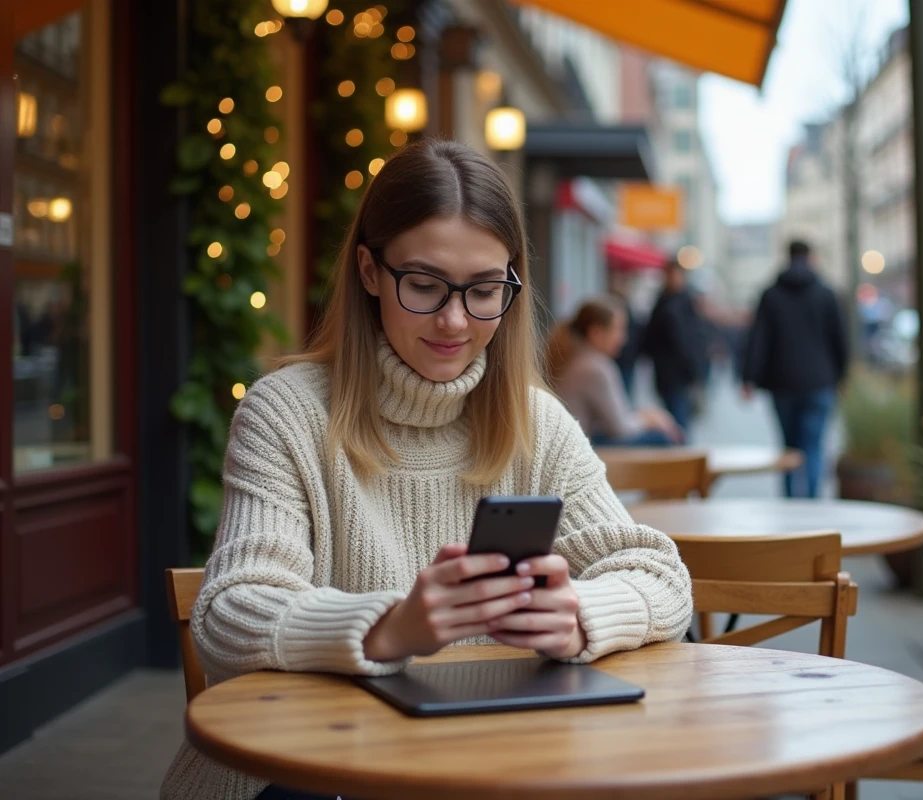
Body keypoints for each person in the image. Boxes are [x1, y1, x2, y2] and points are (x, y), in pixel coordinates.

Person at [161, 141, 692, 800]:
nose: (454, 319)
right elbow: (229, 614)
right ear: (369, 270)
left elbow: (662, 576)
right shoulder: (285, 414)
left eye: (484, 290)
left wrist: (580, 614)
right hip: (306, 772)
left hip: (492, 769)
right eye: (423, 285)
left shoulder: (536, 423)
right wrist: (390, 628)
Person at [741, 240, 848, 499]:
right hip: (819, 380)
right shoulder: (826, 293)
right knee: (813, 446)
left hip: (782, 382)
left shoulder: (771, 295)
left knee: (788, 448)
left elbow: (759, 339)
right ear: (810, 257)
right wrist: (842, 376)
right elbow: (840, 339)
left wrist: (749, 378)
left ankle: (790, 503)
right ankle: (810, 503)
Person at [546, 297, 682, 447]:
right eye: (618, 330)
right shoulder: (594, 367)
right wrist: (650, 419)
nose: (623, 339)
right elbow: (620, 428)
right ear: (596, 333)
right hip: (584, 448)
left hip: (578, 444)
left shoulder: (576, 359)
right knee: (661, 438)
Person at [641, 260, 707, 435]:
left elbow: (691, 339)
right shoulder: (664, 302)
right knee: (673, 419)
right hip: (667, 370)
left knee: (678, 420)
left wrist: (695, 369)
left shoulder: (684, 303)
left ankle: (680, 449)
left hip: (680, 372)